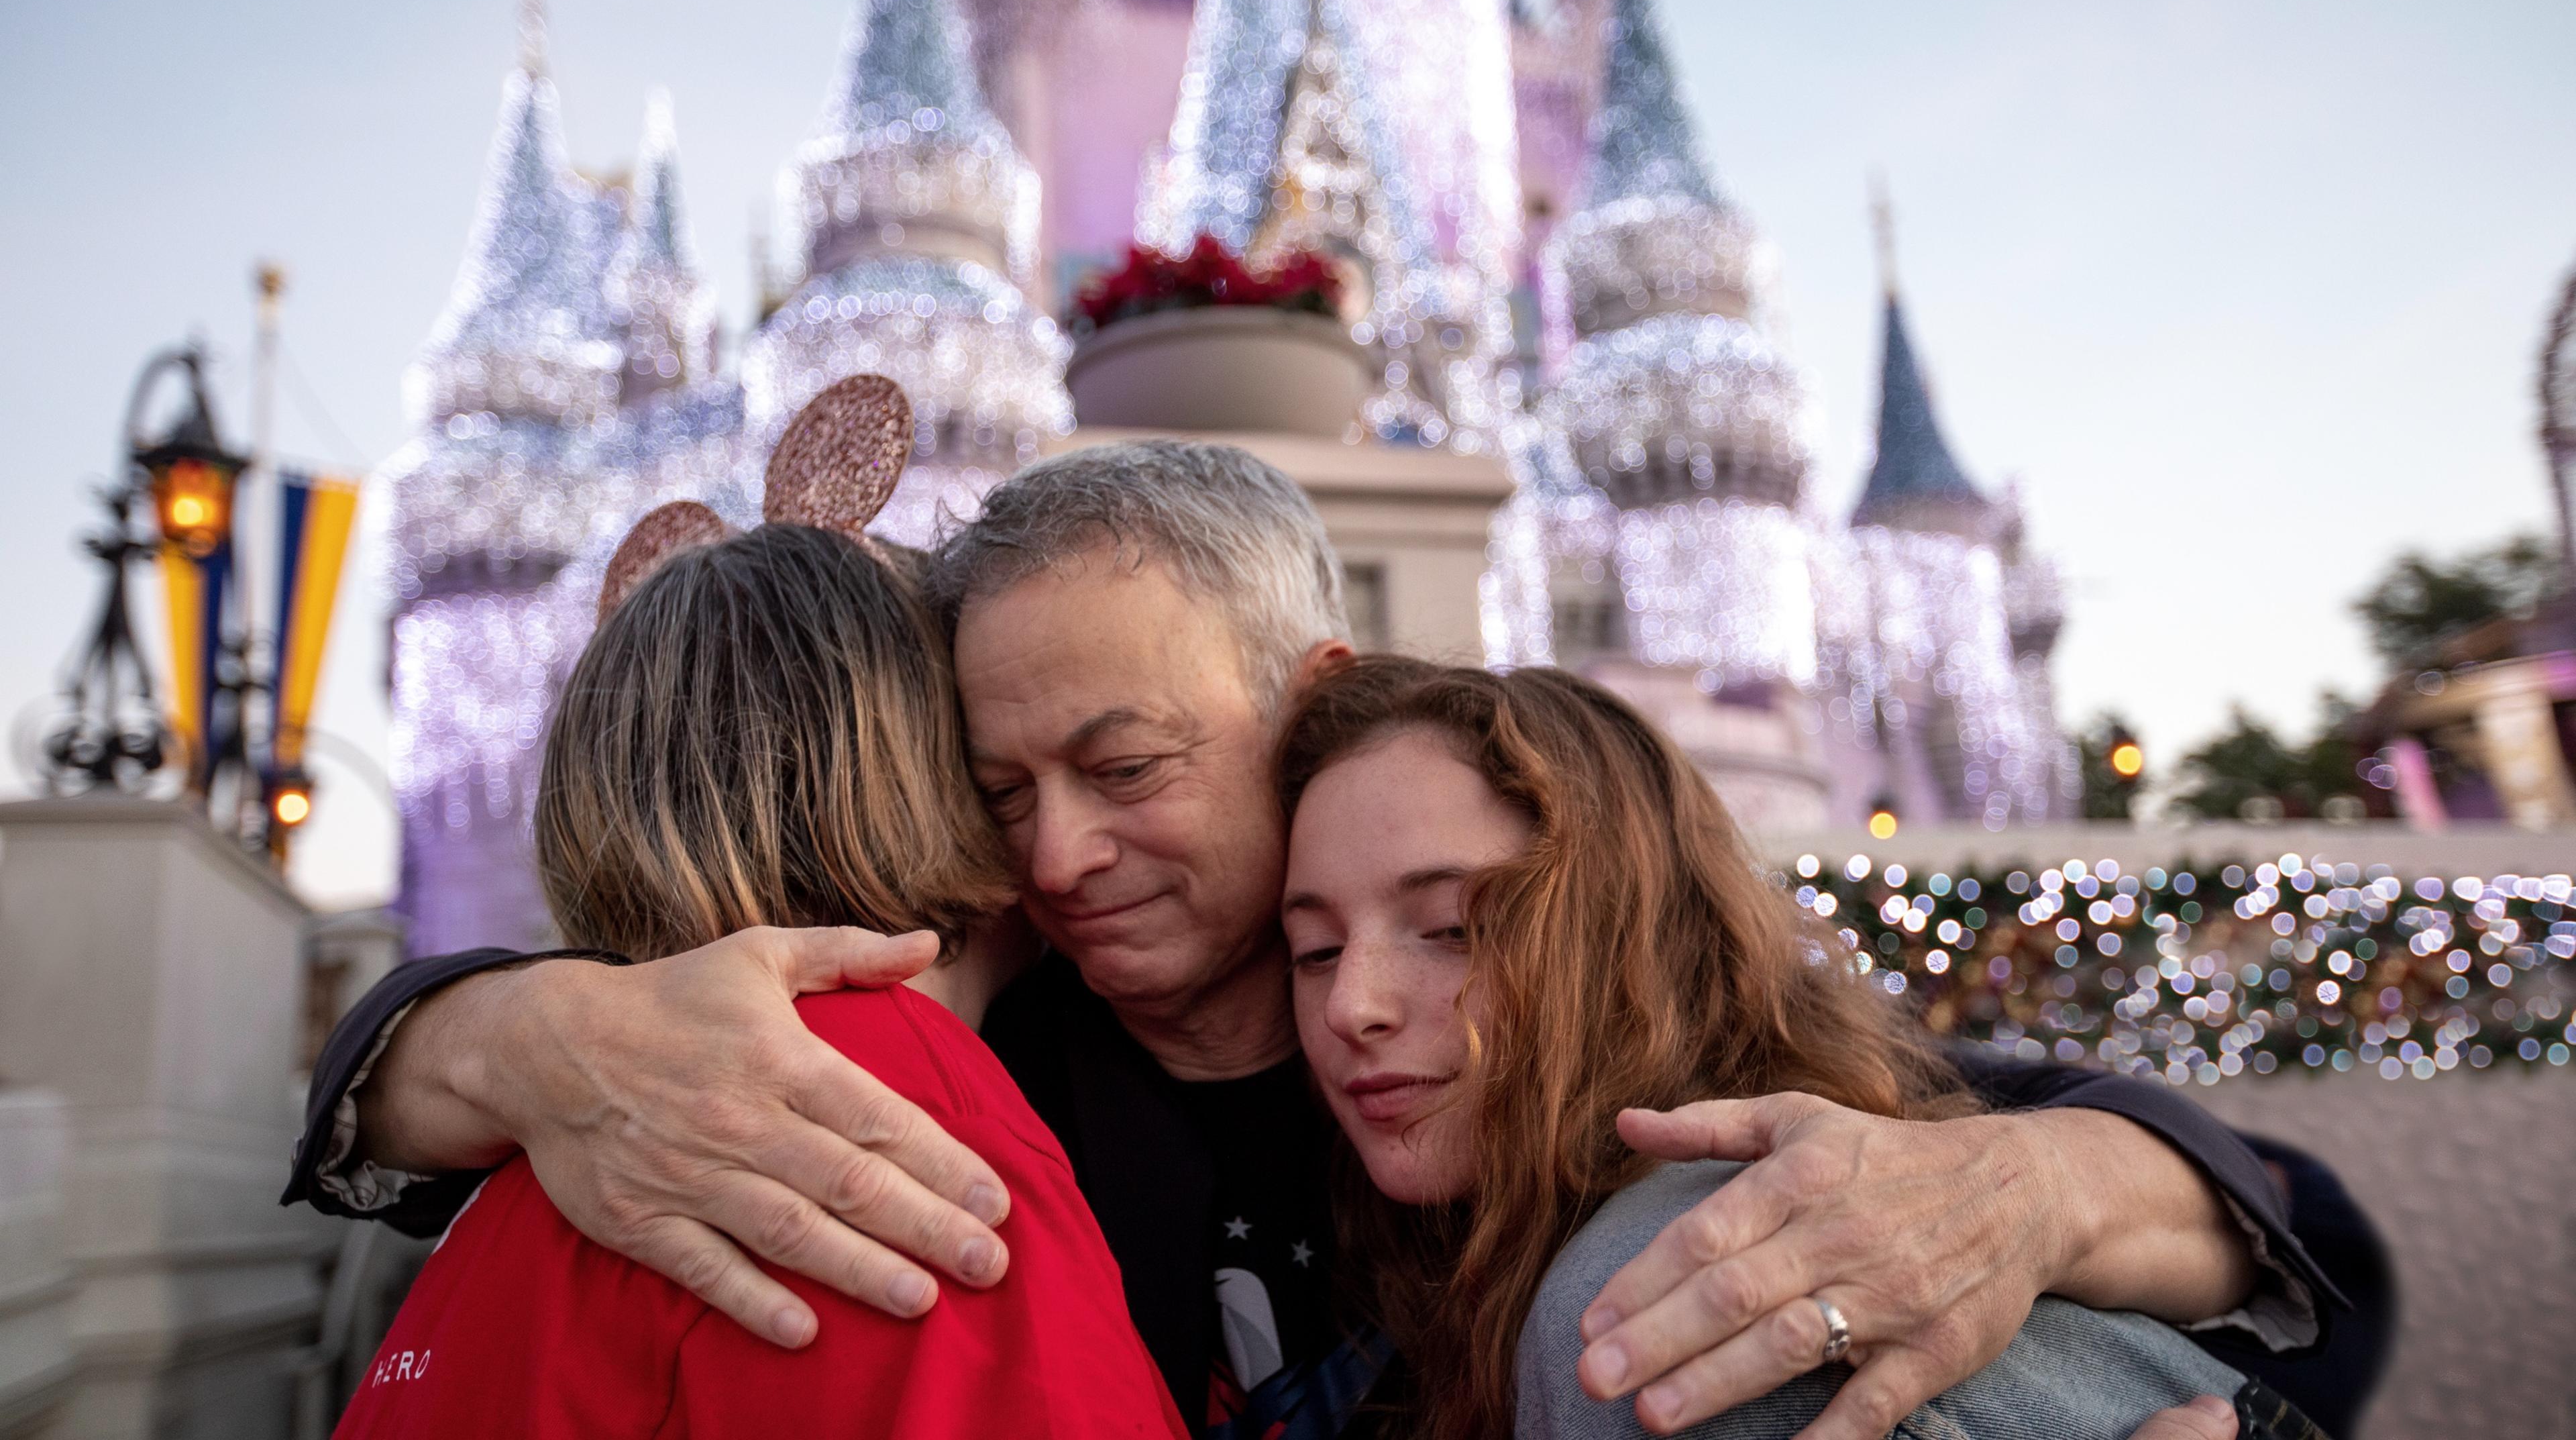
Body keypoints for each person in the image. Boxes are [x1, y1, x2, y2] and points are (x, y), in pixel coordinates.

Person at [288, 441, 2343, 1436]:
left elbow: (2291, 1227)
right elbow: (451, 1131)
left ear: (1310, 700)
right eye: (999, 791)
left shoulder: (1576, 1020)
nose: (1061, 853)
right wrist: (518, 1036)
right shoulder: (967, 1073)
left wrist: (2033, 1187)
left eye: (1127, 763)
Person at [1275, 656, 2326, 1440]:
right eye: (1313, 950)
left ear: (1628, 942)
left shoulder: (1690, 1276)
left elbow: (2274, 1206)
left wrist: (2049, 1186)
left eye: (1454, 928)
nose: (1351, 1005)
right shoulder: (1442, 1252)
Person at [331, 515, 1185, 1438]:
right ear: (936, 774)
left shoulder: (560, 1134)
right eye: (1005, 773)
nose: (1061, 839)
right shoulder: (903, 1132)